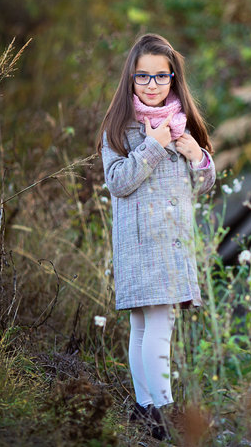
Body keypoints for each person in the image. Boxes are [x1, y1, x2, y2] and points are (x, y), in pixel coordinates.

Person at [97, 33, 215, 439]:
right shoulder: (119, 127)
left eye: (161, 76)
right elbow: (117, 182)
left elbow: (203, 184)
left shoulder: (183, 123)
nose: (152, 85)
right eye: (143, 76)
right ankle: (162, 409)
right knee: (156, 325)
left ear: (173, 78)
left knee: (148, 326)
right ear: (130, 78)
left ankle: (146, 410)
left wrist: (198, 157)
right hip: (141, 244)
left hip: (172, 243)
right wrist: (153, 145)